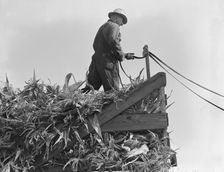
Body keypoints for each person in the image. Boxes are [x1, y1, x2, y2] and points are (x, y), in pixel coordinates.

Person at [82, 8, 134, 93]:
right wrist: (121, 55)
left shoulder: (103, 26)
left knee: (90, 90)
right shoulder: (114, 26)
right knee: (112, 92)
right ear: (116, 17)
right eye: (122, 21)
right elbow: (113, 41)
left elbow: (105, 46)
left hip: (96, 62)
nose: (122, 24)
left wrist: (125, 55)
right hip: (108, 63)